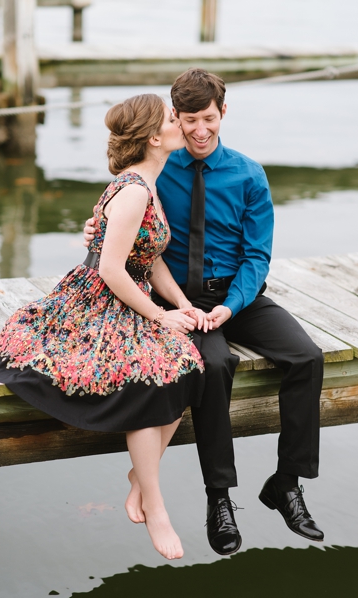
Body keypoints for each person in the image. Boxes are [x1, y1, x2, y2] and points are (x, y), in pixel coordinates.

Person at [84, 68, 325, 555]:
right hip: (177, 299)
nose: (199, 130)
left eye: (208, 118)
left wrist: (231, 306)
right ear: (174, 118)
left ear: (223, 113)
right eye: (189, 119)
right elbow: (117, 219)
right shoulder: (157, 166)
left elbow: (258, 257)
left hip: (238, 295)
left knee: (308, 356)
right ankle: (220, 497)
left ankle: (287, 482)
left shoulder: (249, 174)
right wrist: (95, 228)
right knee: (214, 364)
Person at [0, 94, 207, 560]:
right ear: (153, 137)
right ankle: (155, 501)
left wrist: (182, 304)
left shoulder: (150, 181)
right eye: (172, 119)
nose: (180, 124)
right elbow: (110, 270)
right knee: (151, 377)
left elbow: (151, 255)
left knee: (189, 363)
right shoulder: (134, 190)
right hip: (99, 300)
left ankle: (137, 478)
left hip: (131, 293)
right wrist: (159, 315)